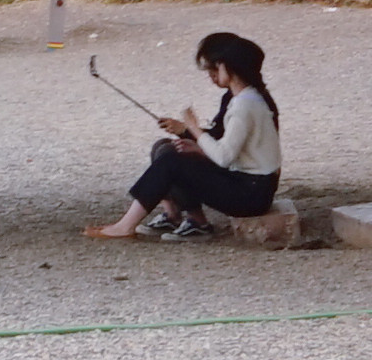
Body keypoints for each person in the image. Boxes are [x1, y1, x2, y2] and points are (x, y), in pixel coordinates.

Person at [88, 30, 282, 239]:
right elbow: (229, 149)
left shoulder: (245, 105)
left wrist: (193, 129)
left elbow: (224, 157)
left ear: (227, 66)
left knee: (173, 161)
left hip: (251, 194)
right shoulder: (246, 99)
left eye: (214, 67)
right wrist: (197, 145)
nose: (211, 74)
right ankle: (181, 220)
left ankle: (125, 226)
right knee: (173, 152)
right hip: (250, 184)